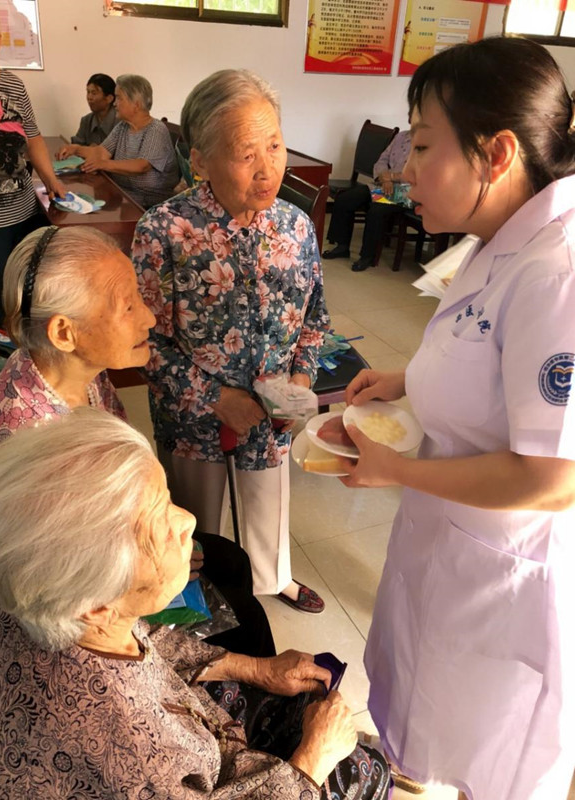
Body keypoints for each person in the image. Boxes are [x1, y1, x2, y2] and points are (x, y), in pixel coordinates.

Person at [342, 36, 575, 800]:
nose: (404, 168)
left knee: (487, 760)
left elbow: (553, 478)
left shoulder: (557, 274)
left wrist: (396, 470)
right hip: (447, 546)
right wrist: (405, 380)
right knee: (422, 718)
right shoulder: (495, 235)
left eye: (422, 145)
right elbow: (483, 355)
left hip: (502, 575)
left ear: (496, 153)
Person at [0, 409, 391, 799]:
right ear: (96, 604)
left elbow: (142, 638)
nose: (188, 521)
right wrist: (313, 758)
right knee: (364, 771)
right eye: (160, 525)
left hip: (184, 729)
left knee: (299, 696)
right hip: (170, 763)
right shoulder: (130, 747)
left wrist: (257, 668)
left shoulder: (27, 588)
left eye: (167, 499)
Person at [0, 224, 276, 658]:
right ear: (64, 333)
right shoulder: (26, 443)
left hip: (119, 549)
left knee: (231, 560)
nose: (149, 319)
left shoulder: (77, 374)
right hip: (80, 617)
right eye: (128, 306)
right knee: (247, 623)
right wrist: (157, 566)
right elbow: (64, 602)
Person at [132, 69, 330, 613]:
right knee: (195, 525)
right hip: (193, 416)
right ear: (200, 160)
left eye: (275, 146)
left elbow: (315, 314)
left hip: (271, 414)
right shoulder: (164, 230)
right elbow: (143, 342)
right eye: (247, 154)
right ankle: (199, 597)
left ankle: (273, 577)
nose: (268, 168)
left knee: (269, 503)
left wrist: (299, 382)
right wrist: (217, 398)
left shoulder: (296, 226)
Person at [0, 0, 65, 327]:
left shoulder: (13, 84)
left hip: (25, 208)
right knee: (0, 296)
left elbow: (34, 139)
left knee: (33, 286)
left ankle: (32, 345)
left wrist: (51, 179)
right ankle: (5, 351)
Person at [57, 74, 178, 209]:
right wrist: (76, 149)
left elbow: (142, 166)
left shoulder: (156, 129)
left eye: (119, 98)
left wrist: (104, 164)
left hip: (150, 205)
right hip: (122, 196)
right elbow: (101, 152)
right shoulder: (123, 126)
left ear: (136, 104)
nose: (114, 103)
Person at [323, 129, 411, 271]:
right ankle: (342, 247)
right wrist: (384, 178)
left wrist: (391, 177)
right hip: (384, 185)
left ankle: (367, 256)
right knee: (345, 199)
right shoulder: (401, 136)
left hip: (407, 192)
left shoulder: (430, 143)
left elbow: (421, 174)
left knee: (376, 210)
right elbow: (382, 161)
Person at [70, 72, 117, 146]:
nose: (89, 97)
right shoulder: (86, 120)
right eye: (88, 92)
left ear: (109, 98)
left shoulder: (121, 122)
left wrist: (96, 150)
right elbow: (76, 146)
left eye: (94, 93)